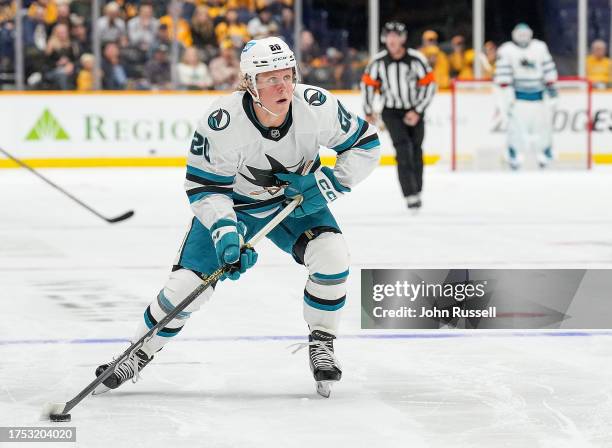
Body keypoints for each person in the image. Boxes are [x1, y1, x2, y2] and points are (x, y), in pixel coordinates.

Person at [94, 36, 380, 397]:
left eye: (287, 75)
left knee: (333, 258)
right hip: (235, 209)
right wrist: (226, 233)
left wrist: (328, 183)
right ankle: (137, 353)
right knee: (186, 290)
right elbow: (205, 189)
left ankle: (322, 341)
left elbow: (366, 145)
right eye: (270, 78)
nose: (283, 85)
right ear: (249, 83)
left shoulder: (316, 105)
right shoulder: (221, 122)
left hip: (295, 203)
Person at [360, 21, 435, 211]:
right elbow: (368, 85)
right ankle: (409, 194)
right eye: (389, 35)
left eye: (396, 35)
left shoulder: (416, 59)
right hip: (391, 112)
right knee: (403, 149)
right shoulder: (378, 62)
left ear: (403, 38)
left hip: (414, 110)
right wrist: (369, 111)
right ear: (384, 38)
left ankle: (417, 190)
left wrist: (417, 110)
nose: (392, 39)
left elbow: (429, 85)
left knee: (416, 151)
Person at [494, 23, 558, 169]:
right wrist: (506, 96)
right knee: (515, 128)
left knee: (543, 127)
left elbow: (549, 69)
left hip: (539, 97)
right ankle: (514, 154)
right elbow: (503, 77)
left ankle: (544, 152)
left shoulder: (540, 47)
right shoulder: (507, 50)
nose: (523, 37)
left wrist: (551, 87)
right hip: (518, 98)